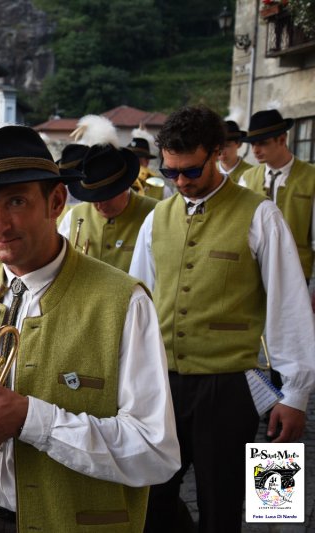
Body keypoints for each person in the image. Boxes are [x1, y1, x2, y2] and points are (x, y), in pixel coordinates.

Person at [0, 125, 180, 532]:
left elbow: (156, 452)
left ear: (55, 201)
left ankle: (276, 518)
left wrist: (30, 420)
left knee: (233, 497)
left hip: (235, 381)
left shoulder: (125, 301)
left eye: (16, 201)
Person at [128, 105, 315, 532]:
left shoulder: (261, 213)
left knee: (224, 505)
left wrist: (295, 394)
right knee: (151, 502)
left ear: (217, 153)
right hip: (163, 383)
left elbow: (287, 307)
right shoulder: (157, 218)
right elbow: (138, 302)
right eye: (170, 172)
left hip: (232, 383)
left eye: (190, 172)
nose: (180, 183)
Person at [239, 109, 315, 303]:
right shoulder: (247, 179)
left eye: (263, 143)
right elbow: (239, 230)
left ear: (282, 139)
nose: (255, 150)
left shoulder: (311, 178)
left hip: (298, 274)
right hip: (254, 274)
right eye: (253, 144)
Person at [58, 143, 157, 272]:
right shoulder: (74, 215)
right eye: (93, 199)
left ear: (124, 187)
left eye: (106, 197)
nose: (99, 206)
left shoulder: (154, 213)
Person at [126, 129, 169, 200]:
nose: (133, 165)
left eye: (137, 161)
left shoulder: (162, 189)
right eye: (129, 160)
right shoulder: (120, 186)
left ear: (147, 161)